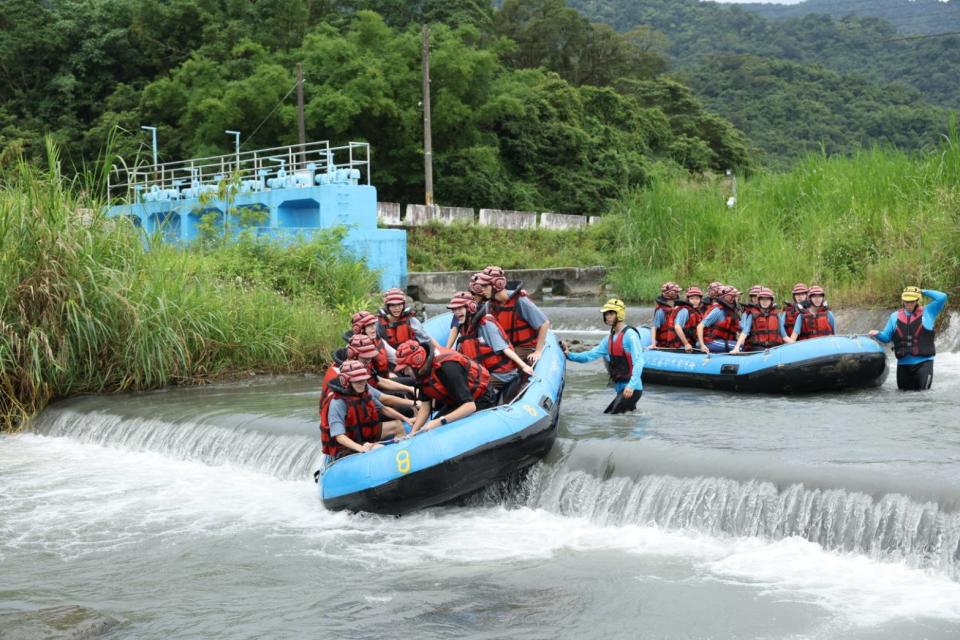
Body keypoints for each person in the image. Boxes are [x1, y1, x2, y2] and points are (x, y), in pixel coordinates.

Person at [394, 340, 496, 434]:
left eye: (405, 368)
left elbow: (470, 406)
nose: (405, 372)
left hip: (480, 399)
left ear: (416, 361)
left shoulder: (447, 367)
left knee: (439, 427)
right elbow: (426, 405)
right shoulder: (422, 372)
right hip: (456, 401)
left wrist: (440, 421)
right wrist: (413, 433)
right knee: (429, 431)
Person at [561, 298, 643, 414]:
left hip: (632, 388)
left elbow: (639, 361)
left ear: (619, 314)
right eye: (606, 314)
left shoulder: (630, 336)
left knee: (611, 417)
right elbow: (590, 355)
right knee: (623, 419)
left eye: (611, 313)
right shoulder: (609, 339)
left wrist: (631, 385)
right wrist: (569, 355)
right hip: (621, 388)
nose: (607, 316)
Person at [447, 292, 533, 399]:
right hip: (483, 373)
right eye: (454, 310)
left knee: (473, 393)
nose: (456, 312)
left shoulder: (485, 325)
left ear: (471, 307)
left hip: (501, 373)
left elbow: (505, 349)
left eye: (459, 309)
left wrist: (524, 366)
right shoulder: (465, 328)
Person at [319, 360, 407, 459]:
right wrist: (361, 448)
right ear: (346, 381)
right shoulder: (337, 403)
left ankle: (405, 453)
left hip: (365, 436)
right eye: (358, 381)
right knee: (379, 448)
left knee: (397, 425)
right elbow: (339, 436)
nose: (363, 383)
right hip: (347, 446)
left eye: (364, 379)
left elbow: (384, 409)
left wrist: (407, 419)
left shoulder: (364, 392)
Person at [869, 286, 948, 391]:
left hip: (924, 363)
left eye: (912, 301)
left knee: (923, 396)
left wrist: (921, 291)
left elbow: (942, 297)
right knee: (903, 398)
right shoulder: (894, 316)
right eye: (906, 301)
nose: (909, 304)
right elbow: (886, 338)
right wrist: (877, 334)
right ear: (903, 301)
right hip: (903, 365)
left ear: (917, 300)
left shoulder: (928, 312)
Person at [476, 266, 551, 365]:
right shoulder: (489, 305)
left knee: (504, 364)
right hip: (507, 347)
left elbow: (545, 323)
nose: (483, 290)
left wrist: (538, 351)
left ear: (497, 285)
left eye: (485, 286)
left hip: (525, 347)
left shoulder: (520, 301)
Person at [347, 334, 417, 402]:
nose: (369, 360)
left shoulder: (365, 362)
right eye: (365, 357)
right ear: (353, 355)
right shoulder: (352, 373)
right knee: (403, 399)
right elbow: (382, 399)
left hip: (378, 385)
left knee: (412, 382)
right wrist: (414, 404)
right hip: (372, 398)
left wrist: (410, 388)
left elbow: (379, 380)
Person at [731, 287, 785, 353]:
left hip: (774, 347)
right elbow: (745, 332)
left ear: (771, 301)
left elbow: (784, 336)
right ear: (759, 301)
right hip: (758, 347)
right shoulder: (752, 314)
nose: (765, 302)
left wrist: (797, 344)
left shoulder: (776, 315)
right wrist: (736, 348)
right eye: (762, 299)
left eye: (767, 299)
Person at [697, 286, 742, 353]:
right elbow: (700, 326)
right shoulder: (718, 311)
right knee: (741, 347)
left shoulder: (731, 312)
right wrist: (702, 345)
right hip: (709, 342)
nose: (735, 299)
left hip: (720, 341)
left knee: (744, 345)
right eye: (734, 297)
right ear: (727, 298)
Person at [651, 282, 684, 350]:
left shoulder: (679, 309)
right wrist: (653, 343)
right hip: (664, 344)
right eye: (676, 292)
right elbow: (654, 327)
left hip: (678, 343)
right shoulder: (660, 311)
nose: (678, 294)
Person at [678, 287, 704, 352]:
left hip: (693, 342)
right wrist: (686, 344)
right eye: (692, 299)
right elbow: (677, 327)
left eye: (697, 299)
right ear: (688, 300)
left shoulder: (698, 312)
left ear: (700, 300)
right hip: (683, 344)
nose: (695, 301)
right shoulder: (684, 310)